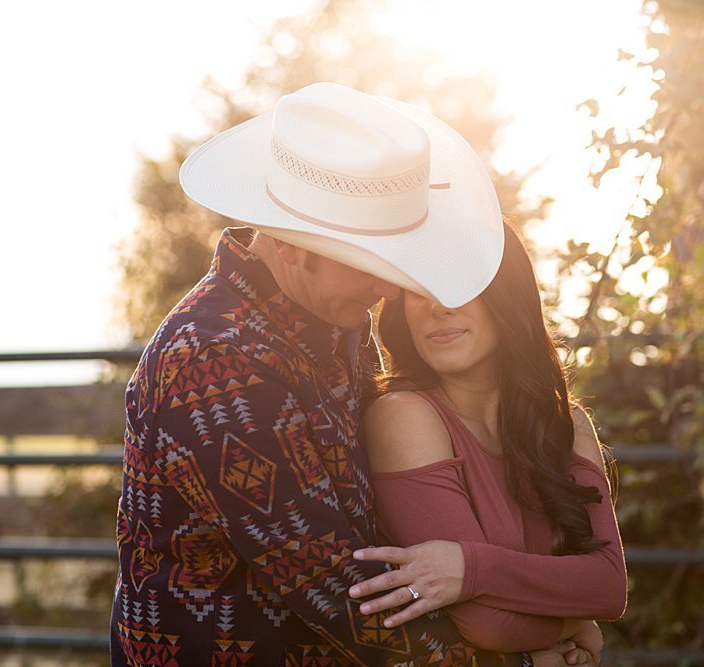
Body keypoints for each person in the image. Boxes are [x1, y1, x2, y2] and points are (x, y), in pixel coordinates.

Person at [110, 82, 589, 665]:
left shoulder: (334, 319)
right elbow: (332, 583)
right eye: (367, 264)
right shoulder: (213, 359)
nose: (388, 287)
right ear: (290, 245)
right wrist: (514, 656)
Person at [353, 223, 627, 661]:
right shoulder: (403, 417)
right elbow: (489, 624)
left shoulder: (567, 424)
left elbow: (608, 587)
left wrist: (467, 567)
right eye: (419, 288)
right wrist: (576, 619)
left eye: (460, 285)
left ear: (506, 296)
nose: (438, 307)